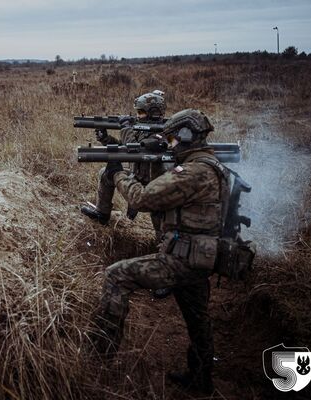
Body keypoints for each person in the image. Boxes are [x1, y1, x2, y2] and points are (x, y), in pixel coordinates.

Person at [88, 109, 228, 395]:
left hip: (181, 260)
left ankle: (97, 361)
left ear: (188, 137)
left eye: (174, 139)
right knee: (198, 321)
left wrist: (117, 174)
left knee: (116, 276)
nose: (171, 144)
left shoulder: (192, 173)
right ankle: (201, 380)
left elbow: (143, 198)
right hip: (201, 257)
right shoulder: (210, 164)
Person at [80, 90, 167, 235]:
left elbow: (135, 149)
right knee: (105, 173)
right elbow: (125, 147)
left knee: (162, 232)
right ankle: (102, 213)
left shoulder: (162, 134)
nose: (137, 116)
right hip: (138, 177)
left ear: (154, 113)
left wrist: (126, 128)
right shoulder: (143, 130)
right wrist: (106, 139)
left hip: (154, 187)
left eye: (141, 112)